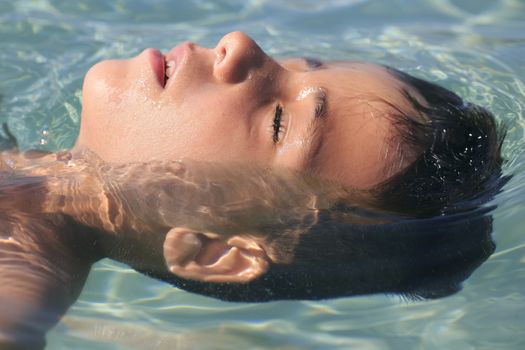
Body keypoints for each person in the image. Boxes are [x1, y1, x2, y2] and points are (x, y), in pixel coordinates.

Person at [0, 31, 505, 349]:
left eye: (279, 121)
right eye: (303, 62)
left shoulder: (17, 280)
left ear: (218, 249)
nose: (240, 45)